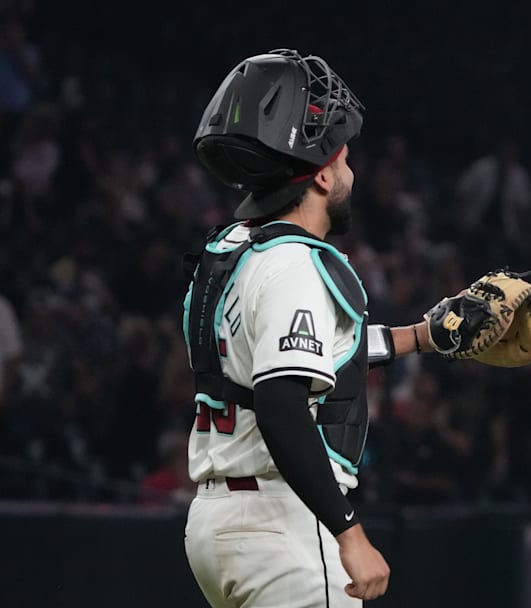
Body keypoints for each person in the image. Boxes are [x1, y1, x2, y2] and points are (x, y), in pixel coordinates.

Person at [182, 49, 446, 607]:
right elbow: (281, 402)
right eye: (346, 161)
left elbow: (308, 358)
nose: (351, 173)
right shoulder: (295, 265)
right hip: (283, 522)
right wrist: (348, 532)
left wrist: (424, 335)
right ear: (323, 175)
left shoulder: (235, 250)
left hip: (219, 520)